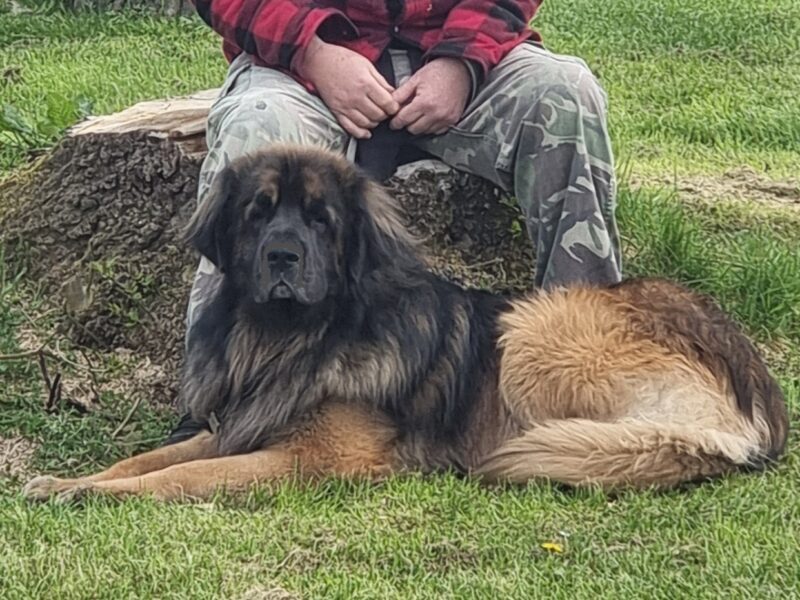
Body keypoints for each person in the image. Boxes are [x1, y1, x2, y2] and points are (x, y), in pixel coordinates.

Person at [165, 0, 623, 444]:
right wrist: (314, 51)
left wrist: (462, 61)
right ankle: (209, 404)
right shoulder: (310, 57)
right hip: (302, 69)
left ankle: (596, 362)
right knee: (253, 128)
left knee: (567, 94)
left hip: (463, 59)